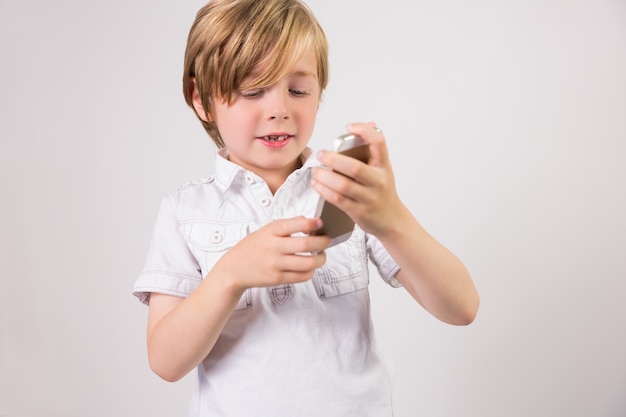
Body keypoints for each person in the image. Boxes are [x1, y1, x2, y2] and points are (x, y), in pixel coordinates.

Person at [133, 0, 480, 415]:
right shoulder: (183, 210)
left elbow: (461, 307)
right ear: (202, 100)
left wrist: (392, 221)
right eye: (252, 90)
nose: (280, 109)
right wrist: (230, 274)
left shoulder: (344, 188)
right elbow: (165, 362)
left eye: (298, 90)